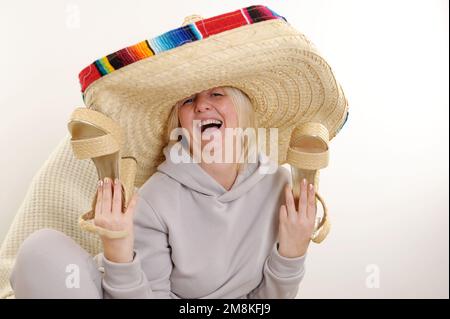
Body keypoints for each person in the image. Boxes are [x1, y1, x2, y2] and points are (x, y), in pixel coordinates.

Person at [9, 4, 349, 298]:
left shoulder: (278, 185)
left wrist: (292, 251)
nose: (202, 106)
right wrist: (117, 245)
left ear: (243, 111)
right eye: (189, 100)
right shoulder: (156, 198)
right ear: (181, 124)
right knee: (42, 253)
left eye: (217, 94)